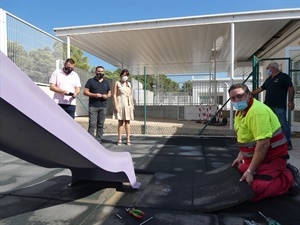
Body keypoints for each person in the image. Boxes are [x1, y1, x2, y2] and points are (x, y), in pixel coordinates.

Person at [229, 83, 299, 202]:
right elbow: (246, 138)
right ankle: (270, 172)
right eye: (233, 98)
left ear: (249, 95)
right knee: (237, 179)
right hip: (257, 157)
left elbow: (263, 144)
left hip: (272, 158)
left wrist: (251, 171)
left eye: (240, 96)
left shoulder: (257, 112)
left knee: (252, 191)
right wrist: (240, 156)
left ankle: (289, 178)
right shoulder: (240, 112)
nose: (237, 100)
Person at [251, 62, 295, 150]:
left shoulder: (284, 77)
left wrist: (290, 101)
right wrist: (250, 94)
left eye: (268, 68)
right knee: (268, 123)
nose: (267, 70)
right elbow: (261, 88)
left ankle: (287, 143)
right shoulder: (269, 79)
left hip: (279, 105)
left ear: (273, 68)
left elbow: (291, 88)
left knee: (283, 124)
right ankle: (272, 141)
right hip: (267, 106)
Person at [83, 66, 111, 144]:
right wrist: (94, 95)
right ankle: (90, 141)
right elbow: (85, 92)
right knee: (92, 124)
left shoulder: (106, 82)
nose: (100, 73)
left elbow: (109, 93)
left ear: (103, 72)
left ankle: (98, 140)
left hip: (103, 106)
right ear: (95, 72)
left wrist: (107, 96)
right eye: (98, 71)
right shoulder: (90, 81)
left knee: (100, 124)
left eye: (102, 71)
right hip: (93, 106)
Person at [113, 69, 134, 146]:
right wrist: (116, 105)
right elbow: (114, 94)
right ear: (121, 75)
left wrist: (132, 104)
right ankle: (119, 139)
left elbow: (131, 95)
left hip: (128, 104)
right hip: (120, 103)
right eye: (124, 75)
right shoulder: (117, 83)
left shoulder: (129, 84)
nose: (125, 77)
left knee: (128, 122)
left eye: (127, 75)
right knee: (120, 122)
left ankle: (128, 139)